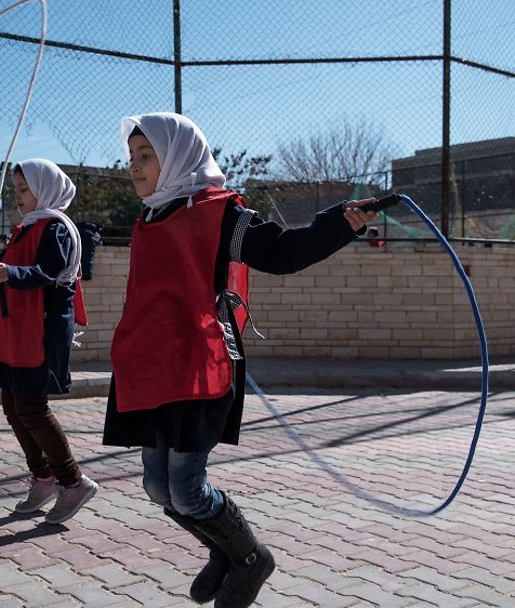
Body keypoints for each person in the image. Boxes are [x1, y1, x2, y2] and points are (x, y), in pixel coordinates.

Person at [102, 113, 377, 608]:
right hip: (147, 369)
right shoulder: (149, 216)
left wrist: (337, 223)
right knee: (157, 487)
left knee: (185, 490)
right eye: (132, 158)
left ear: (179, 156)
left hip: (197, 367)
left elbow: (282, 252)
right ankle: (223, 551)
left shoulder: (219, 212)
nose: (134, 167)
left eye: (146, 156)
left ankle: (250, 560)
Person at [0, 159, 98, 525]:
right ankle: (43, 477)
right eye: (16, 190)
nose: (18, 197)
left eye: (24, 189)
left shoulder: (55, 228)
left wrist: (14, 273)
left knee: (32, 409)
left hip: (38, 332)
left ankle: (73, 481)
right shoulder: (26, 228)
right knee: (14, 408)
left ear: (46, 189)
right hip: (14, 334)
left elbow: (47, 272)